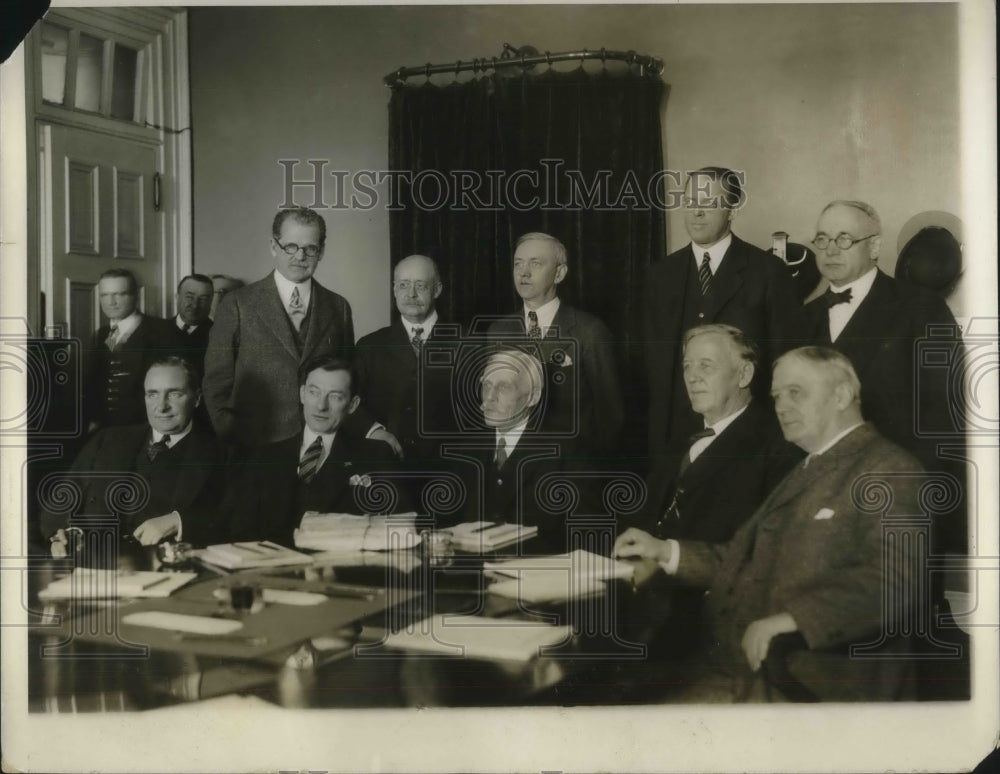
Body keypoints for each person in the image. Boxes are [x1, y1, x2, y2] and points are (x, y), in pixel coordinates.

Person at [615, 347, 924, 701]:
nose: (781, 406)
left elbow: (898, 582)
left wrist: (794, 618)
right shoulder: (807, 467)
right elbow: (740, 558)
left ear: (841, 395)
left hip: (824, 689)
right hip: (752, 673)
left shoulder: (888, 469)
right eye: (777, 395)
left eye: (796, 392)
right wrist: (665, 551)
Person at [645, 167, 803, 458]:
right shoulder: (660, 276)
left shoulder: (768, 272)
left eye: (710, 204)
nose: (697, 213)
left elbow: (786, 362)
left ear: (732, 210)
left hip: (747, 441)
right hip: (674, 439)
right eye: (691, 203)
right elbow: (650, 368)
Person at [802, 200, 961, 472]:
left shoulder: (922, 308)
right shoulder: (802, 317)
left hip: (894, 482)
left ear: (874, 246)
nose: (830, 250)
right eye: (823, 239)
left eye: (844, 239)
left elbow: (947, 414)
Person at [204, 207, 375, 449]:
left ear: (322, 251)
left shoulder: (338, 307)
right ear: (274, 246)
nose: (300, 256)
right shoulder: (237, 304)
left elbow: (346, 380)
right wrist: (232, 437)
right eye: (290, 246)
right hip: (254, 448)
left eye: (310, 248)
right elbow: (216, 383)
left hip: (321, 446)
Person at [43, 357, 226, 554]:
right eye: (152, 394)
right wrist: (63, 534)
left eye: (174, 394)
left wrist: (177, 521)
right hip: (92, 565)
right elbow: (59, 504)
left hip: (165, 569)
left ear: (197, 398)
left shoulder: (222, 453)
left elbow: (237, 520)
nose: (161, 406)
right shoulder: (107, 440)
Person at [226, 357, 400, 546]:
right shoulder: (263, 459)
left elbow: (396, 531)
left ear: (352, 405)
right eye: (314, 392)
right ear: (302, 394)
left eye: (335, 396)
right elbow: (239, 535)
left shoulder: (375, 456)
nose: (321, 405)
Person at [487, 232, 623, 455]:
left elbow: (610, 415)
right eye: (517, 264)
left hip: (571, 469)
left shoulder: (589, 331)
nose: (524, 272)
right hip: (515, 471)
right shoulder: (497, 332)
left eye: (536, 263)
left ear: (559, 273)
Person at [461, 346, 591, 553]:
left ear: (533, 397)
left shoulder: (567, 452)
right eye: (486, 385)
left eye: (504, 387)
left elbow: (585, 538)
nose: (490, 397)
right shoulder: (466, 448)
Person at [352, 255, 458, 462]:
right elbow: (349, 402)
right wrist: (373, 430)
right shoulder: (368, 346)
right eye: (403, 285)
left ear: (437, 290)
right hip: (387, 466)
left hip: (450, 471)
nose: (411, 294)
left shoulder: (467, 342)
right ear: (394, 290)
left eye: (420, 285)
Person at [85, 268, 172, 431]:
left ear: (135, 295)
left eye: (120, 294)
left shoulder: (163, 332)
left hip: (146, 427)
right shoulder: (101, 335)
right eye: (105, 295)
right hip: (105, 430)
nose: (111, 302)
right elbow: (95, 383)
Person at [167, 273, 214, 373]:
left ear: (211, 302)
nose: (195, 305)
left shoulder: (219, 335)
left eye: (203, 299)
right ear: (177, 297)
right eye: (189, 297)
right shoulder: (156, 330)